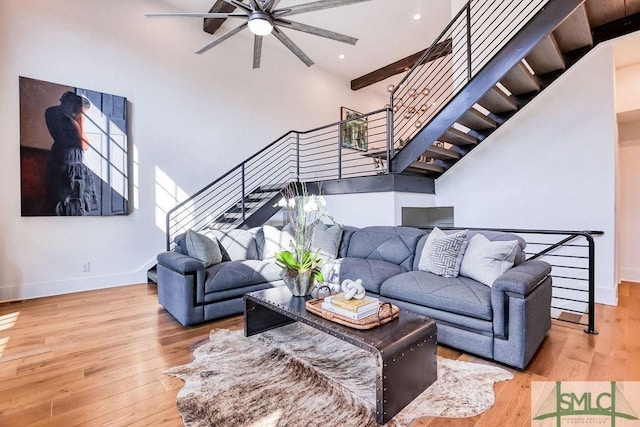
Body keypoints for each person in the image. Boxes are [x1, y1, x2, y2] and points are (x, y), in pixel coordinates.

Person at [44, 91, 98, 215]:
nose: (80, 115)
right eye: (81, 112)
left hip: (57, 152)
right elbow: (84, 145)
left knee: (58, 190)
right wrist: (81, 124)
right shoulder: (69, 120)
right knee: (72, 192)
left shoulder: (50, 111)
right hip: (70, 159)